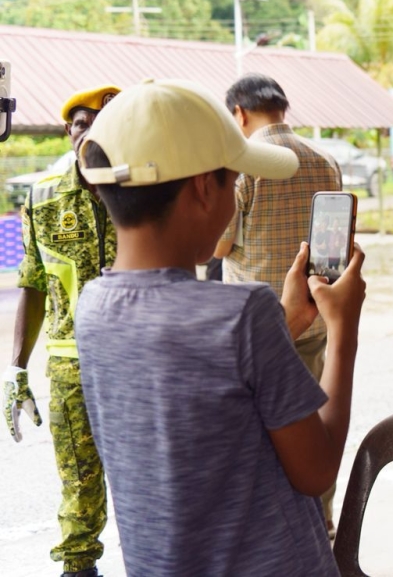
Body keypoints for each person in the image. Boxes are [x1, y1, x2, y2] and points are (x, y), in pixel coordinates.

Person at [73, 78, 366, 576]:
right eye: (231, 184)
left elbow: (208, 384)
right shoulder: (244, 313)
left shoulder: (93, 307)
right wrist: (344, 332)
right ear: (203, 189)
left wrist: (289, 321)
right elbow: (317, 471)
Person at [213, 73, 342, 527]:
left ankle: (276, 531)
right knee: (315, 431)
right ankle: (321, 525)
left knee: (264, 443)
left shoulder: (243, 166)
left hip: (259, 332)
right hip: (317, 320)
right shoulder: (325, 160)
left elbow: (218, 247)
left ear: (239, 113)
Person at [1, 85, 120, 577]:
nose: (91, 132)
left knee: (154, 481)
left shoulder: (146, 189)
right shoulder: (44, 196)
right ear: (68, 131)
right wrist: (16, 370)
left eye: (104, 123)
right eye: (81, 124)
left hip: (139, 361)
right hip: (72, 367)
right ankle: (78, 568)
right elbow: (32, 281)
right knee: (78, 486)